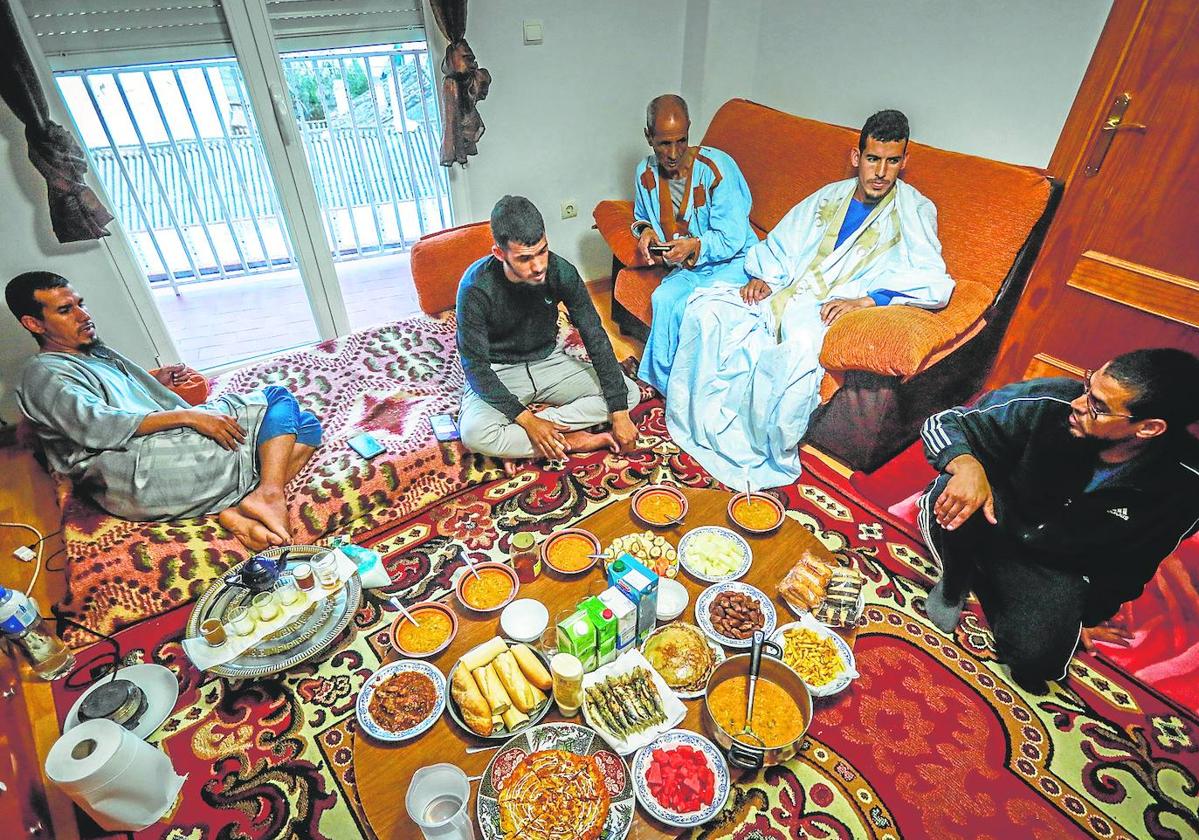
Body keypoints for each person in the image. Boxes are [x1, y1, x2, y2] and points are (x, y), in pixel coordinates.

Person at [667, 110, 954, 488]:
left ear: (904, 161)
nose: (881, 172)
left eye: (892, 161)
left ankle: (756, 448)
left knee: (796, 353)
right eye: (872, 159)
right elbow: (784, 240)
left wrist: (868, 300)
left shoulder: (915, 210)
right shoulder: (830, 195)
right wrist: (765, 277)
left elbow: (933, 279)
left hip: (825, 308)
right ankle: (699, 422)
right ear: (857, 157)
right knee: (707, 312)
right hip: (784, 291)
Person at [919, 349, 1199, 693]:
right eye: (1088, 385)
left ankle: (994, 579)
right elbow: (943, 423)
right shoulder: (1051, 400)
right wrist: (967, 466)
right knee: (954, 492)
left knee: (1039, 663)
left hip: (1053, 561)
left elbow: (1135, 562)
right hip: (994, 512)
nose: (1079, 404)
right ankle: (955, 582)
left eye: (1098, 406)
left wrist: (1085, 616)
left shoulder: (1184, 486)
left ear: (1149, 428)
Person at [7, 271, 322, 552]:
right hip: (141, 472)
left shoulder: (82, 355)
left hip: (152, 476)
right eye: (65, 310)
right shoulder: (44, 372)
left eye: (80, 304)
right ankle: (268, 492)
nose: (83, 315)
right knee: (277, 399)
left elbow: (101, 399)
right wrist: (190, 415)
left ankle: (239, 509)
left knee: (303, 426)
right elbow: (98, 423)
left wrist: (152, 381)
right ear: (34, 323)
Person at [456, 195, 640, 462]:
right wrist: (529, 422)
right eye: (525, 258)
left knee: (627, 395)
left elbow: (594, 334)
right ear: (499, 254)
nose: (539, 266)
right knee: (474, 434)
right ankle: (570, 441)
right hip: (502, 371)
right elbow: (475, 367)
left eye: (542, 251)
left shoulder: (561, 271)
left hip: (550, 361)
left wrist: (620, 415)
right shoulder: (475, 288)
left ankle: (536, 439)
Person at [631, 94, 756, 393]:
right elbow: (639, 218)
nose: (673, 153)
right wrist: (646, 232)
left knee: (692, 309)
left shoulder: (717, 167)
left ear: (689, 131)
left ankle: (686, 389)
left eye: (681, 141)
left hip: (734, 262)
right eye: (664, 143)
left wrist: (694, 246)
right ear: (649, 137)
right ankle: (658, 385)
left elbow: (733, 237)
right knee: (662, 299)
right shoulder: (645, 173)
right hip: (690, 267)